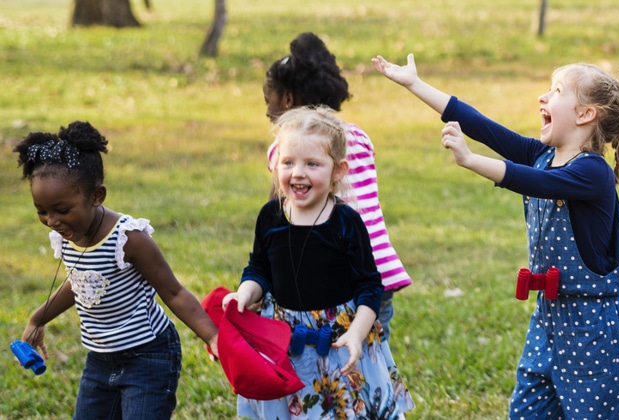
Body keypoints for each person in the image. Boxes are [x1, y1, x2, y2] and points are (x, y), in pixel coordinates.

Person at [373, 54, 619, 418]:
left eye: (556, 91)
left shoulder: (593, 172)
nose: (542, 98)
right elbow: (480, 124)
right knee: (527, 410)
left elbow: (529, 180)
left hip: (591, 327)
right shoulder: (542, 154)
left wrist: (470, 160)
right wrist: (414, 84)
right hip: (548, 319)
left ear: (585, 114)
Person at [14, 121, 220, 418]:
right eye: (41, 211)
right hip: (100, 359)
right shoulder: (66, 235)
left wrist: (213, 337)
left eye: (62, 210)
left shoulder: (128, 238)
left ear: (97, 196)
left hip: (149, 356)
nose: (52, 221)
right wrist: (38, 317)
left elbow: (173, 292)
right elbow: (82, 283)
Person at [224, 106, 413, 419]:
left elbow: (369, 285)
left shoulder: (346, 222)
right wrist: (245, 294)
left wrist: (356, 333)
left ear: (337, 170)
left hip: (339, 346)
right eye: (288, 162)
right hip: (284, 343)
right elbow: (259, 268)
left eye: (312, 163)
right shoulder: (270, 216)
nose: (298, 172)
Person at [262, 32, 413, 338]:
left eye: (269, 100)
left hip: (336, 277)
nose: (267, 111)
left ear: (289, 100)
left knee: (328, 363)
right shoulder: (358, 136)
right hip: (379, 269)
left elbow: (280, 222)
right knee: (369, 360)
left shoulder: (284, 152)